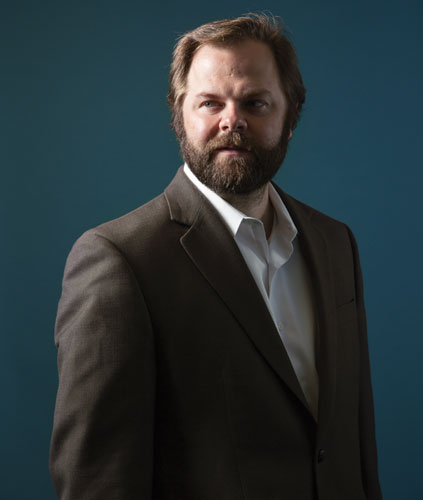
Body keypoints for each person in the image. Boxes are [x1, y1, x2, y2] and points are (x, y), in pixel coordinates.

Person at [50, 14, 382, 500]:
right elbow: (99, 482)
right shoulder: (119, 261)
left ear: (291, 118)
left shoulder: (335, 244)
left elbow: (354, 447)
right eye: (210, 103)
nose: (232, 121)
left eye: (254, 103)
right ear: (179, 115)